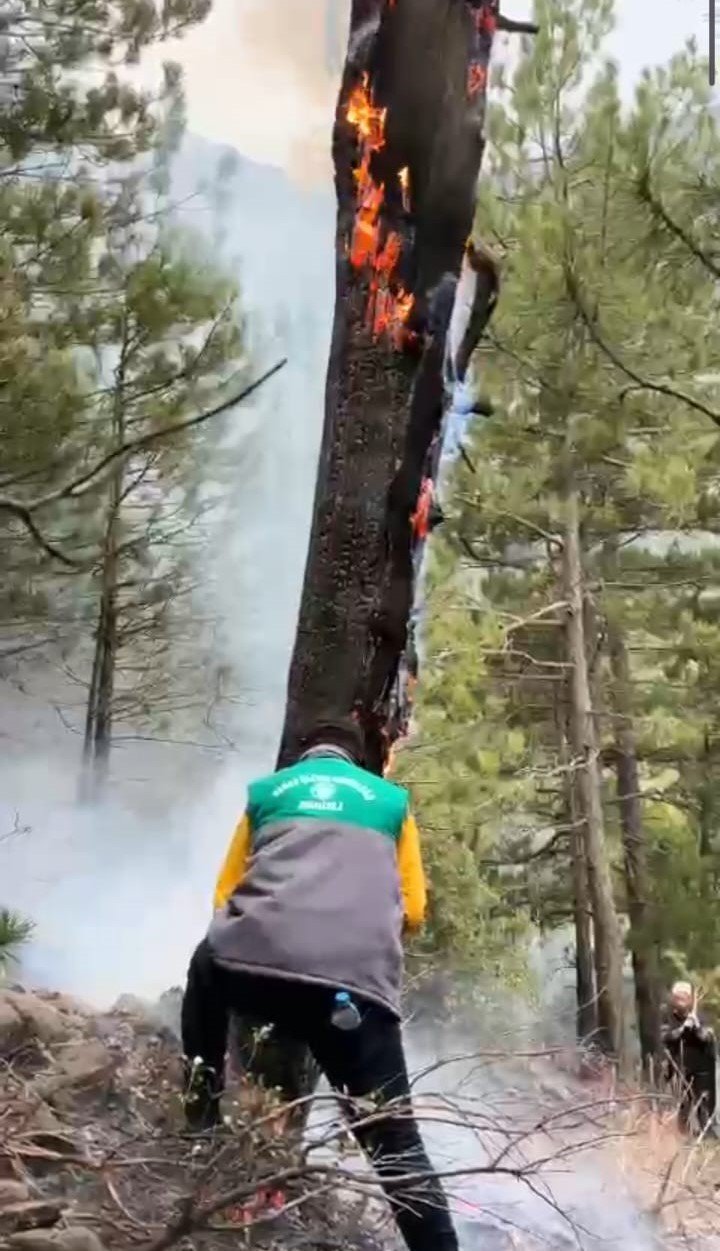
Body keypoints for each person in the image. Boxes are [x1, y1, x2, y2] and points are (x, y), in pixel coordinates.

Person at [180, 715, 459, 1251]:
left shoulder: (268, 792)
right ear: (358, 761)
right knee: (395, 1142)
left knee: (204, 968)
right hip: (352, 990)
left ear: (302, 758)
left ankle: (201, 1119)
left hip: (253, 969)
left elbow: (224, 895)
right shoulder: (390, 802)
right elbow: (417, 910)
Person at [661, 981, 717, 1136]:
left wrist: (697, 1026)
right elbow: (666, 1036)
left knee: (704, 1107)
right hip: (679, 1069)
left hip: (702, 1070)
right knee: (682, 1107)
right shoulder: (667, 1016)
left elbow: (708, 1037)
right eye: (677, 997)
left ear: (690, 998)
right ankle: (682, 1136)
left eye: (684, 997)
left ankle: (707, 1136)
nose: (680, 1001)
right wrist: (683, 1028)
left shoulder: (702, 1015)